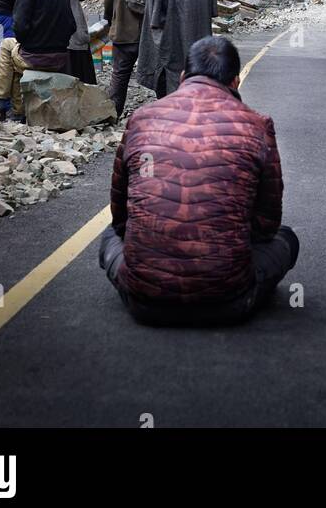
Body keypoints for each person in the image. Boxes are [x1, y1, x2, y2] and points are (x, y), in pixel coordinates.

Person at [100, 35, 299, 326]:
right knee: (287, 239)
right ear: (235, 82)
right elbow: (267, 224)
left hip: (144, 301)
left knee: (108, 236)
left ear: (182, 77)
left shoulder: (142, 119)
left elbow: (121, 218)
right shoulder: (257, 125)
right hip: (228, 301)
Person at [103, 0, 154, 117]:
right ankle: (167, 116)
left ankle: (114, 114)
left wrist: (110, 18)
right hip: (151, 32)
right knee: (158, 75)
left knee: (120, 74)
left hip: (124, 31)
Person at [9, 0, 76, 75]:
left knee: (5, 46)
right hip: (61, 58)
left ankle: (0, 94)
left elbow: (20, 28)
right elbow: (72, 26)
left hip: (34, 57)